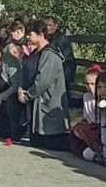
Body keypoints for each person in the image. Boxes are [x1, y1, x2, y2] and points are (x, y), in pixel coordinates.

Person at [19, 19, 71, 151]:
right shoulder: (39, 52)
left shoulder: (50, 55)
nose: (28, 37)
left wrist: (29, 94)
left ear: (40, 35)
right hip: (39, 104)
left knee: (50, 142)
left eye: (30, 34)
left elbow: (44, 81)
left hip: (49, 104)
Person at [71, 65, 104, 159]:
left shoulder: (103, 98)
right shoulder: (86, 96)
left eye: (93, 84)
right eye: (87, 84)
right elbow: (87, 115)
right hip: (89, 127)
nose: (90, 87)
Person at [44, 16, 77, 86]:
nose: (47, 28)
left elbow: (62, 58)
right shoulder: (49, 37)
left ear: (56, 26)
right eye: (45, 25)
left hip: (65, 70)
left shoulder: (60, 39)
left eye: (50, 25)